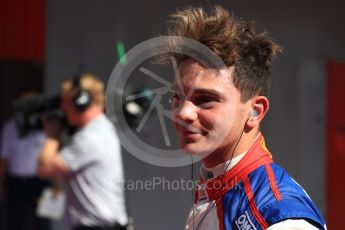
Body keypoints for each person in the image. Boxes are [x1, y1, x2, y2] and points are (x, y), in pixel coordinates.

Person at [163, 6, 326, 230]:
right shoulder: (216, 184)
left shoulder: (280, 220)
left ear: (255, 111)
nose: (183, 113)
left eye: (204, 99)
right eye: (177, 97)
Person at [37, 74, 128, 230]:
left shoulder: (92, 137)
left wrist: (52, 135)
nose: (63, 108)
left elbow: (44, 167)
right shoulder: (98, 130)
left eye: (66, 101)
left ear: (81, 102)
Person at [0, 94, 51, 230]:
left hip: (40, 181)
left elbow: (53, 156)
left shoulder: (46, 126)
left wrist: (56, 185)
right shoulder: (10, 127)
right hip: (16, 182)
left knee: (43, 222)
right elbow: (4, 158)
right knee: (14, 221)